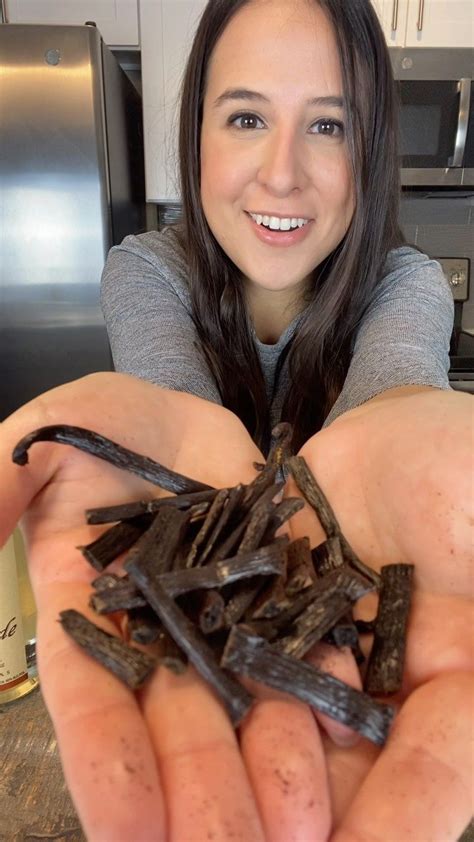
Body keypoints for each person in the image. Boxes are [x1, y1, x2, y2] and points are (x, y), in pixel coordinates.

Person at [1, 1, 472, 841]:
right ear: (195, 133)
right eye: (247, 116)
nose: (281, 173)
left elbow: (396, 388)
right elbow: (175, 400)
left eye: (329, 125)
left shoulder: (411, 283)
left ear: (370, 151)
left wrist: (406, 431)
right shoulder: (146, 270)